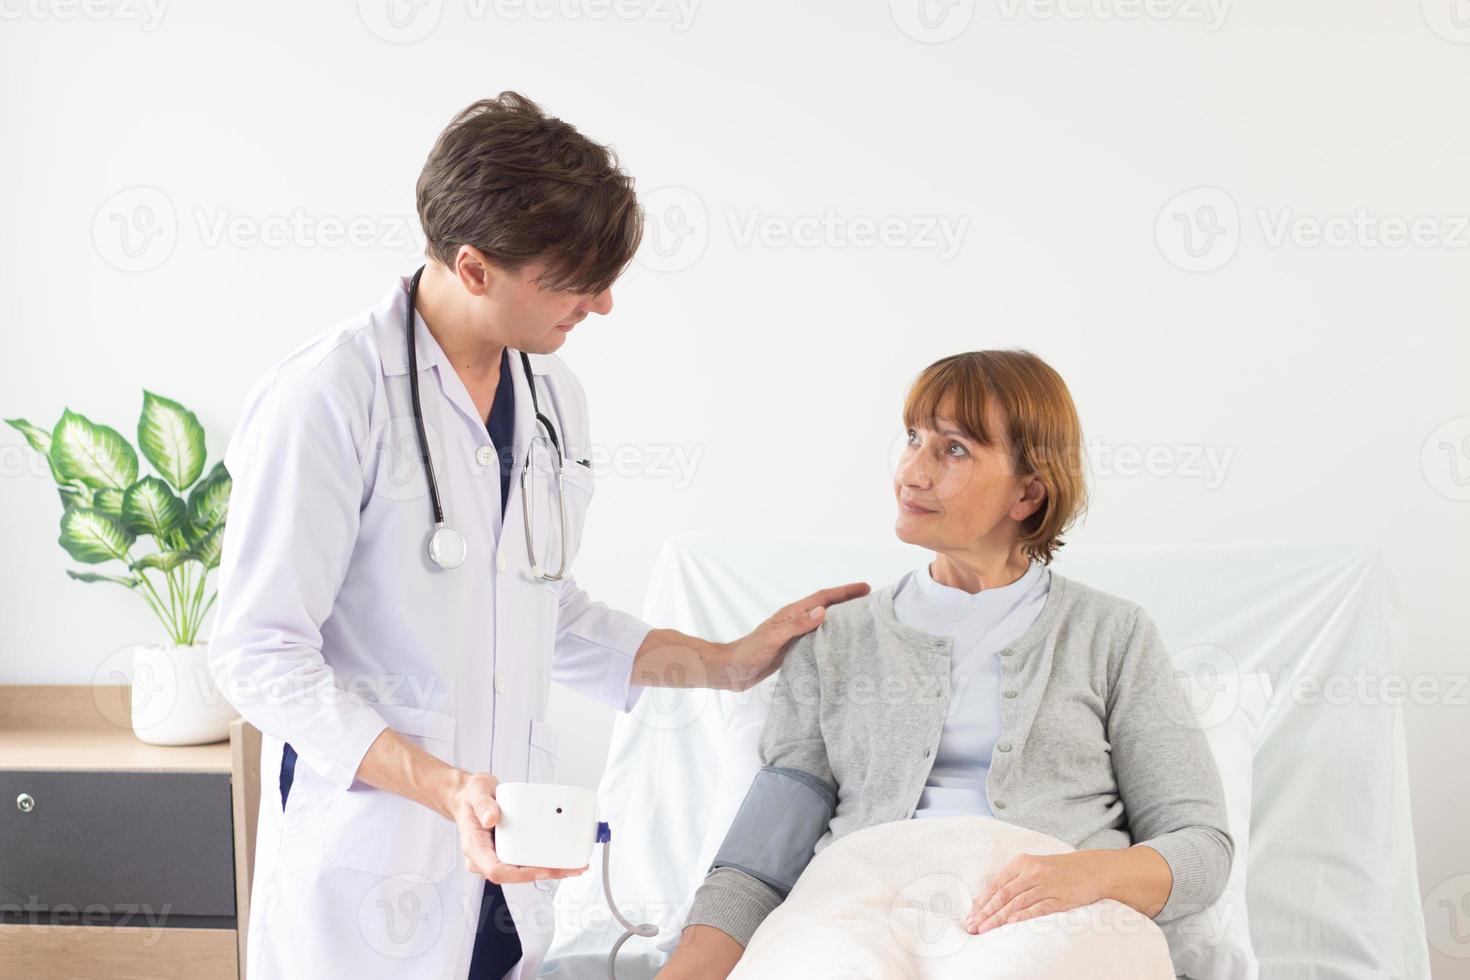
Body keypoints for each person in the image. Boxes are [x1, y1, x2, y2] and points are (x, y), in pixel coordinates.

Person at [207, 92, 867, 980]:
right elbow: (257, 654)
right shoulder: (326, 400)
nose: (600, 305)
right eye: (575, 280)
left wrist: (728, 662)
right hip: (373, 864)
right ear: (474, 268)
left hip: (505, 874)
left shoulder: (554, 403)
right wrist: (443, 789)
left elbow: (540, 611)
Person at [657, 350, 1233, 978]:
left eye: (953, 449)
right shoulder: (834, 638)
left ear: (1028, 492)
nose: (912, 471)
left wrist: (1087, 876)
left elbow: (1199, 843)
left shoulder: (1113, 635)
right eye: (912, 439)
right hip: (854, 902)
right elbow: (765, 852)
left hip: (1050, 908)